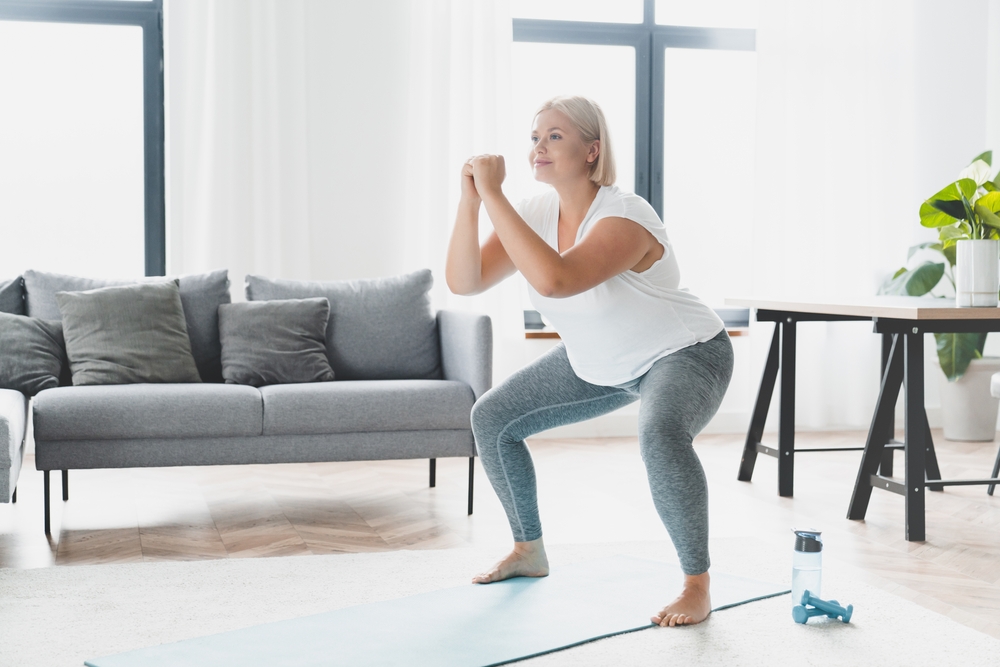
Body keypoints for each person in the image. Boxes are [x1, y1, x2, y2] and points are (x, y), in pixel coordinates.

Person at [444, 95, 734, 627]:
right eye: (535, 137)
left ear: (591, 151)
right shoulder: (533, 213)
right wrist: (471, 202)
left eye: (555, 136)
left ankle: (697, 584)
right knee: (492, 419)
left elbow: (558, 280)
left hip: (684, 352)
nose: (539, 146)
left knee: (661, 434)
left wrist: (492, 192)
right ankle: (528, 550)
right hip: (599, 362)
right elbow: (465, 281)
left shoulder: (624, 215)